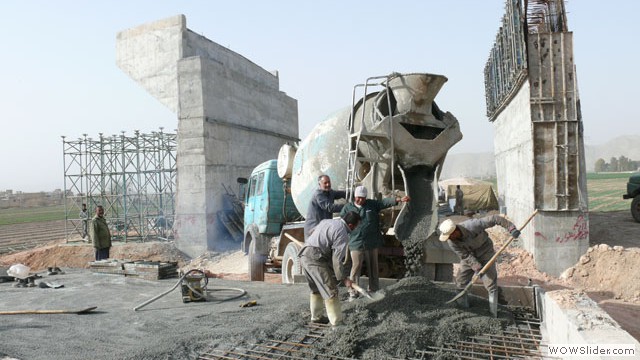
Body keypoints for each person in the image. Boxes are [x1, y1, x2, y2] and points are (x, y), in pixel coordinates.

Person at [438, 214, 520, 317]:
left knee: (490, 282)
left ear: (455, 232)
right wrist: (476, 265)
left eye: (450, 236)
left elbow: (494, 218)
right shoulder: (451, 242)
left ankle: (494, 312)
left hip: (485, 252)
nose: (449, 238)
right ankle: (464, 310)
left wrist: (511, 228)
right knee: (460, 282)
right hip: (469, 255)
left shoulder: (472, 225)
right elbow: (464, 255)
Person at [340, 186, 410, 300]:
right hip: (355, 242)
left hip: (371, 241)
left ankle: (374, 289)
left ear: (365, 197)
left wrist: (398, 200)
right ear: (354, 197)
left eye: (362, 198)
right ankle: (353, 291)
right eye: (358, 198)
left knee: (373, 266)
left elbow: (383, 203)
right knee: (356, 266)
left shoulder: (371, 204)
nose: (360, 200)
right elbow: (341, 224)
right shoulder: (347, 208)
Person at [298, 211, 361, 326]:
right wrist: (344, 278)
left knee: (316, 288)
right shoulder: (342, 234)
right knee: (331, 291)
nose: (356, 228)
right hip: (316, 258)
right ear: (351, 225)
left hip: (304, 255)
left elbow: (311, 232)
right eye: (356, 226)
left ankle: (316, 317)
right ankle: (337, 324)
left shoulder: (327, 221)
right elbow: (337, 260)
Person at [304, 174, 346, 239]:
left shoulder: (330, 192)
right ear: (319, 184)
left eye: (329, 182)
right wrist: (346, 207)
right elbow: (329, 207)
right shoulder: (318, 194)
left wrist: (354, 193)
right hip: (314, 229)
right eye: (325, 183)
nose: (328, 185)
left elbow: (340, 194)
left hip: (323, 227)